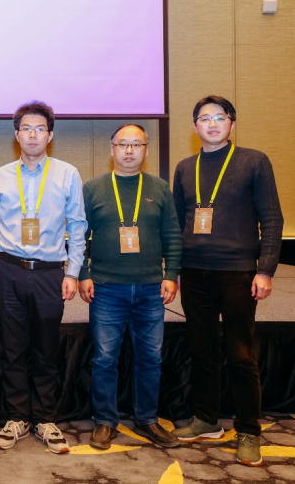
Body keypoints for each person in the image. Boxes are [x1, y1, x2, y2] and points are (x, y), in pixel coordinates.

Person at [171, 96, 283, 467]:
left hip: (238, 272)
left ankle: (249, 430)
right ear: (195, 126)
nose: (213, 124)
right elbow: (177, 223)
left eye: (220, 117)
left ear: (232, 123)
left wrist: (265, 269)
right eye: (205, 118)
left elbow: (272, 218)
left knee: (241, 353)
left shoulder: (254, 161)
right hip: (194, 272)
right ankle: (206, 419)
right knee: (202, 349)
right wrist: (174, 269)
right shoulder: (185, 168)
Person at [0, 100, 87, 454]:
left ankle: (44, 418)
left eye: (39, 129)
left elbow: (78, 225)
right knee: (12, 347)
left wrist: (73, 272)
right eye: (26, 128)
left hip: (49, 273)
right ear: (17, 135)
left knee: (45, 348)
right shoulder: (1, 175)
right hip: (8, 270)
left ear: (50, 135)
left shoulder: (67, 174)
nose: (32, 135)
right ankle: (17, 418)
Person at [78, 124, 182, 450]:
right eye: (123, 144)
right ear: (112, 149)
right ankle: (105, 421)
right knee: (105, 358)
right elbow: (78, 235)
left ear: (146, 150)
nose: (129, 150)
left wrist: (171, 274)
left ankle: (147, 418)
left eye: (137, 144)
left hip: (151, 288)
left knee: (150, 358)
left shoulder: (159, 188)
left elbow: (172, 235)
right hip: (106, 288)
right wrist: (83, 273)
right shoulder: (93, 188)